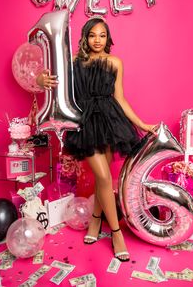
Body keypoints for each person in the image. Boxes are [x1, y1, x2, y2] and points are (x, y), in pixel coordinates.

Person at [36, 16, 156, 262]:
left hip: (111, 121)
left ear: (108, 38)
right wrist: (40, 80)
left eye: (102, 35)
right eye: (93, 35)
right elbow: (50, 78)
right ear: (85, 37)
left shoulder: (115, 62)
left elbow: (120, 98)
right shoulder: (73, 63)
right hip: (85, 122)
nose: (97, 40)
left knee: (105, 179)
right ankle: (115, 233)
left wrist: (141, 123)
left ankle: (94, 220)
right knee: (102, 176)